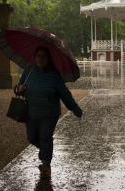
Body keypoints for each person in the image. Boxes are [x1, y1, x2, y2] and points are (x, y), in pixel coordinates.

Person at [16, 46, 83, 179]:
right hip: (31, 111)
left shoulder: (54, 76)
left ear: (48, 59)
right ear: (34, 57)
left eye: (43, 56)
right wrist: (19, 89)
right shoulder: (29, 70)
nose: (40, 59)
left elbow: (65, 94)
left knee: (45, 138)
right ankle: (45, 151)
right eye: (38, 56)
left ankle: (46, 164)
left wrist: (75, 108)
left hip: (49, 113)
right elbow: (19, 87)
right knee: (31, 137)